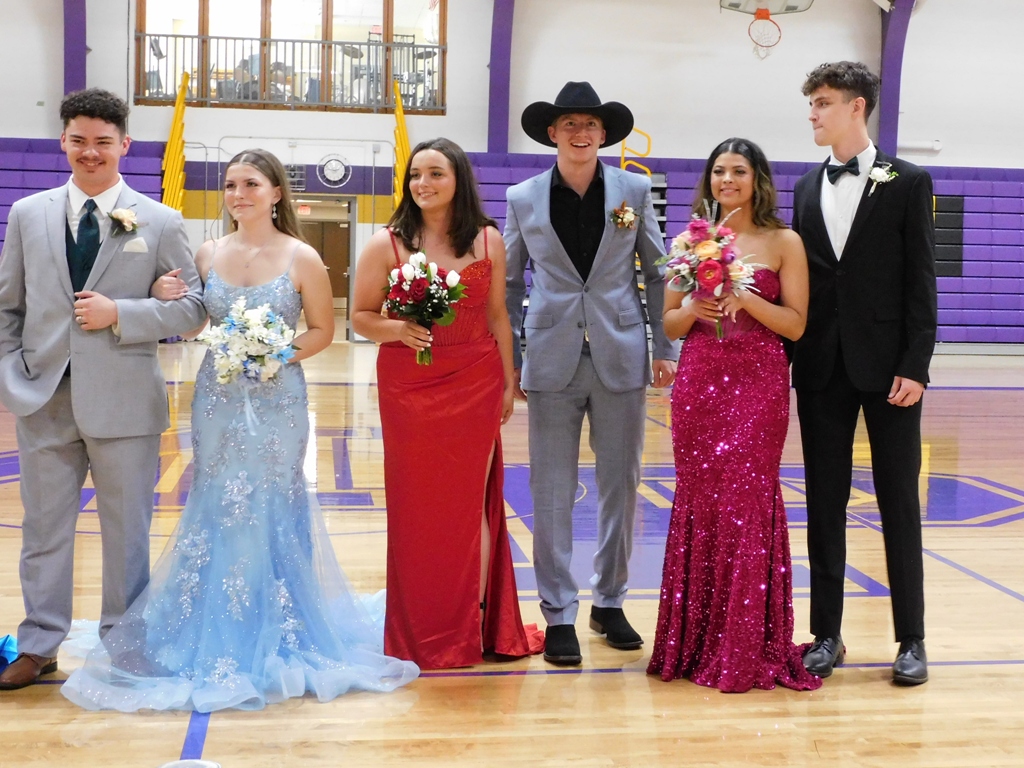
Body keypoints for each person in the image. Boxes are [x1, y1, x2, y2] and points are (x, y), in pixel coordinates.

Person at [60, 149, 419, 711]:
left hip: (279, 399)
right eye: (230, 185)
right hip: (218, 397)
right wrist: (163, 296)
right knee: (218, 498)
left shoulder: (302, 257)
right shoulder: (207, 252)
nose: (238, 194)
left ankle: (278, 619)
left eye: (251, 184)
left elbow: (322, 329)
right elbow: (194, 321)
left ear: (276, 192)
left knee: (273, 498)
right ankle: (212, 616)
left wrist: (275, 353)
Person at [0, 89, 207, 691]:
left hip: (125, 401)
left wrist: (123, 312)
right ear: (63, 141)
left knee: (127, 531)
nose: (90, 152)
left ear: (125, 145)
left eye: (103, 142)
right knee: (43, 531)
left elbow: (194, 309)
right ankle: (39, 644)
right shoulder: (27, 214)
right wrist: (12, 374)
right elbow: (9, 305)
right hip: (43, 398)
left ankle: (126, 641)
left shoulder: (160, 220)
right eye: (79, 140)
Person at [351, 137, 544, 670]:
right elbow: (360, 317)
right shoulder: (385, 244)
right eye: (416, 175)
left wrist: (507, 380)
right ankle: (423, 622)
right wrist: (398, 328)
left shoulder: (487, 239)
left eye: (436, 173)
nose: (424, 184)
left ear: (458, 179)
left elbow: (498, 315)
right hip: (409, 385)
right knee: (417, 508)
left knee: (469, 504)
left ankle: (471, 622)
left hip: (475, 380)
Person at [505, 82, 679, 666]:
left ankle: (609, 601)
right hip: (550, 357)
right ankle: (558, 611)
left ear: (604, 135)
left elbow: (657, 271)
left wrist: (664, 345)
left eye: (590, 124)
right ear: (552, 133)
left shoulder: (634, 190)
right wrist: (511, 359)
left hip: (621, 353)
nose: (580, 133)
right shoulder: (523, 197)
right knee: (551, 491)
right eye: (569, 124)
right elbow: (510, 281)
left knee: (620, 486)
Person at [646, 138, 820, 693]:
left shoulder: (785, 241)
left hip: (758, 383)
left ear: (757, 179)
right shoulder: (690, 241)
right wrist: (693, 307)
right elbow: (669, 324)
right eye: (719, 171)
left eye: (738, 171)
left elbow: (796, 325)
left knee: (748, 499)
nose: (727, 180)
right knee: (701, 498)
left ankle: (745, 642)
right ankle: (696, 640)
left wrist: (746, 300)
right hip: (700, 383)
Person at [792, 62, 937, 686]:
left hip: (890, 370)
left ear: (857, 107)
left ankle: (912, 639)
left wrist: (916, 365)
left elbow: (921, 281)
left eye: (823, 102)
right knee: (823, 502)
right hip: (821, 367)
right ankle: (826, 633)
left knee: (899, 500)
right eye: (811, 103)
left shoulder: (908, 181)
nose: (813, 113)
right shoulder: (804, 186)